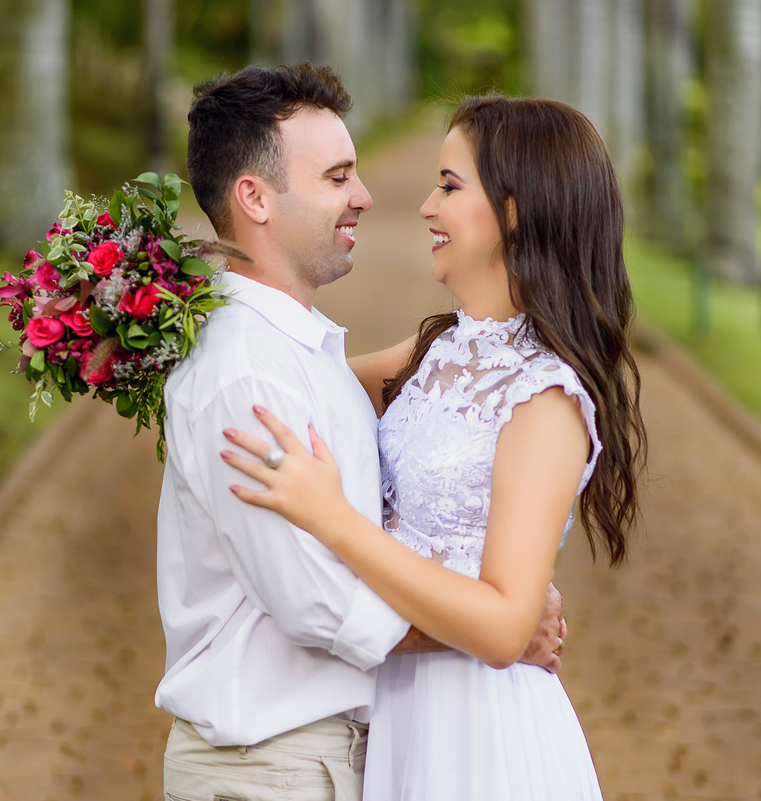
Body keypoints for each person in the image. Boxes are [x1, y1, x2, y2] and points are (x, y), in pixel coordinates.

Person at [221, 95, 648, 800]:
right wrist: (138, 323)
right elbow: (282, 382)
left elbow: (506, 627)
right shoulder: (436, 352)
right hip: (396, 714)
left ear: (514, 211)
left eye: (449, 186)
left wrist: (336, 521)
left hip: (480, 736)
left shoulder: (544, 396)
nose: (426, 208)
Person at [156, 65, 565, 801]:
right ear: (255, 197)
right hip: (271, 767)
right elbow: (317, 601)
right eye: (338, 176)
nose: (366, 196)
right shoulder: (248, 373)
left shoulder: (306, 353)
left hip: (344, 757)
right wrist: (500, 626)